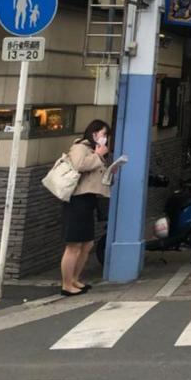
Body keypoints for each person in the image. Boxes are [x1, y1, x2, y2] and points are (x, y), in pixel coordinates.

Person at [60, 120, 113, 296]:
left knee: (87, 243)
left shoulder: (94, 152)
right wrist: (98, 155)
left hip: (89, 200)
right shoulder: (80, 147)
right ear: (94, 133)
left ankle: (75, 278)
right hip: (76, 200)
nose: (105, 138)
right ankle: (67, 284)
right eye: (103, 134)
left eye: (106, 135)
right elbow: (79, 166)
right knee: (73, 244)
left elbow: (95, 175)